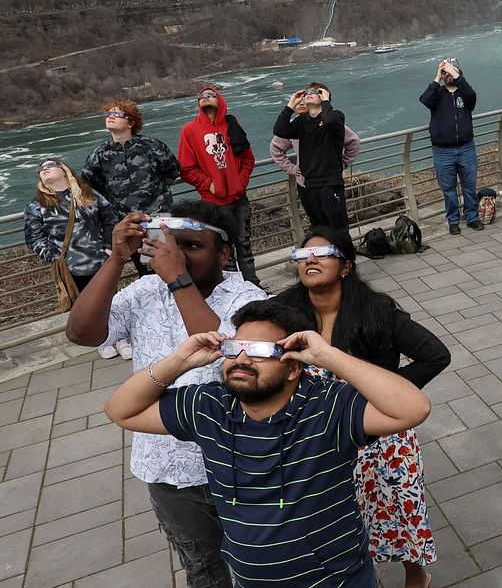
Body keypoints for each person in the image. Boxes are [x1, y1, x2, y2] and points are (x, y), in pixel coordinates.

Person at [104, 300, 432, 587]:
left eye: (259, 351)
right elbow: (120, 410)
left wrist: (327, 355)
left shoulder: (327, 407)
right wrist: (179, 360)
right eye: (234, 348)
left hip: (337, 581)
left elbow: (413, 408)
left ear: (292, 368)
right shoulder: (209, 407)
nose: (242, 358)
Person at [66, 200, 266, 588]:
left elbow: (227, 355)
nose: (177, 256)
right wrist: (116, 261)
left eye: (191, 247)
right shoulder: (144, 290)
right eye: (170, 246)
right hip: (167, 467)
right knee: (202, 566)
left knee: (257, 560)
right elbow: (82, 333)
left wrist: (178, 280)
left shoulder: (248, 298)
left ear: (224, 252)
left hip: (239, 461)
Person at [273, 228, 450, 588]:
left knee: (400, 505)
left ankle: (416, 576)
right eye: (303, 255)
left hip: (381, 433)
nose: (310, 259)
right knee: (338, 510)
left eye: (322, 253)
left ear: (345, 266)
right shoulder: (284, 311)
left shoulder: (376, 310)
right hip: (317, 432)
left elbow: (436, 355)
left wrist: (381, 394)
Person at [23, 157, 124, 358]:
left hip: (100, 261)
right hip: (70, 268)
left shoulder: (88, 194)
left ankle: (121, 337)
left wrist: (108, 246)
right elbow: (34, 236)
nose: (44, 169)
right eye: (41, 169)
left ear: (65, 170)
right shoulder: (37, 205)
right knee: (85, 305)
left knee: (111, 300)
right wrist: (54, 258)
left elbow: (109, 218)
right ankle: (102, 341)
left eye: (50, 165)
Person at [82, 100, 180, 275]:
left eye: (117, 114)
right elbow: (90, 187)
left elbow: (172, 170)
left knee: (165, 266)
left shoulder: (152, 146)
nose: (110, 117)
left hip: (157, 217)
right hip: (128, 222)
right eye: (108, 114)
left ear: (131, 122)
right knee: (144, 269)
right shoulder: (99, 155)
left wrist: (157, 195)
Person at [178, 86, 259, 285]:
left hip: (239, 200)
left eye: (211, 95)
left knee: (244, 246)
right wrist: (208, 185)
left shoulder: (232, 125)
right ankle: (232, 288)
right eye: (201, 96)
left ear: (220, 100)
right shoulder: (190, 130)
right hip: (212, 203)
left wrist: (240, 182)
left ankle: (253, 286)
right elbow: (187, 168)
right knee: (224, 250)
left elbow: (248, 159)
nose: (206, 98)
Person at [272, 82, 350, 232]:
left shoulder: (336, 116)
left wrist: (326, 100)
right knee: (319, 228)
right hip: (309, 184)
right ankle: (326, 255)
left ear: (324, 96)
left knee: (338, 228)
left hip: (330, 183)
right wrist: (290, 105)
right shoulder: (301, 122)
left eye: (315, 92)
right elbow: (280, 130)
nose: (309, 93)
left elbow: (329, 121)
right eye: (307, 92)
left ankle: (345, 255)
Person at [420, 58, 482, 234]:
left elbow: (473, 97)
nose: (448, 75)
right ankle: (453, 221)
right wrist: (437, 77)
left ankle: (472, 217)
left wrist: (456, 74)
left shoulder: (465, 93)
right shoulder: (437, 93)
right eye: (445, 73)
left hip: (466, 148)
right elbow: (424, 100)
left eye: (451, 72)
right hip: (442, 151)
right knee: (448, 189)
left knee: (469, 185)